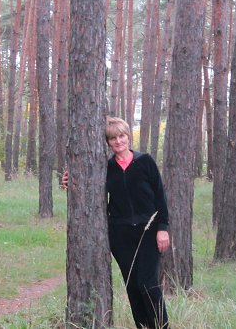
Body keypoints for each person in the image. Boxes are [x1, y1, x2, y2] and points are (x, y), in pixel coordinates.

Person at [63, 116, 170, 328]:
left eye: (121, 136)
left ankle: (161, 326)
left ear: (128, 137)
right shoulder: (106, 167)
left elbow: (160, 196)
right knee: (132, 286)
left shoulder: (145, 161)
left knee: (147, 283)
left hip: (149, 232)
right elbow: (87, 185)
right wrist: (70, 179)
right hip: (120, 235)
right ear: (108, 142)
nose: (118, 141)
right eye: (113, 138)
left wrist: (163, 228)